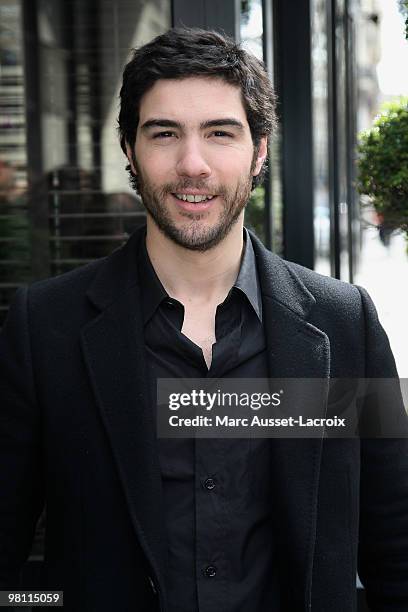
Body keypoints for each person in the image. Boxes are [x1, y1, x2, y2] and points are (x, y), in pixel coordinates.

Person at [0, 27, 407, 612]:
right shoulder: (46, 328)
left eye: (220, 133)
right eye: (164, 133)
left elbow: (395, 546)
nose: (193, 164)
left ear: (259, 150)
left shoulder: (346, 324)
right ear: (130, 151)